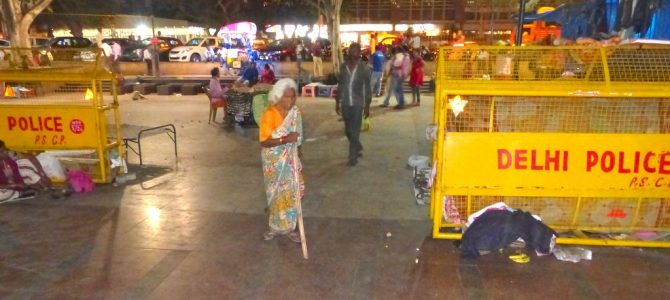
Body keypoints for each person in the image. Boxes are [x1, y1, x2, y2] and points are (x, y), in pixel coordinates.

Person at [258, 78, 304, 243]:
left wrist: (297, 156)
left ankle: (290, 228)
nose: (290, 100)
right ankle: (275, 228)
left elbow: (298, 138)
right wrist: (285, 140)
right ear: (278, 96)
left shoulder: (295, 113)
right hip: (273, 162)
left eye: (293, 97)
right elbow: (264, 141)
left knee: (291, 194)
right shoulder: (270, 114)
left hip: (290, 161)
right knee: (276, 194)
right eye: (286, 97)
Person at [336, 43, 372, 166]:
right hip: (345, 103)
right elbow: (340, 84)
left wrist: (367, 106)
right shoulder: (343, 67)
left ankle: (352, 157)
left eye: (356, 51)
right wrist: (337, 101)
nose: (354, 53)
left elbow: (368, 88)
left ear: (359, 54)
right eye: (352, 50)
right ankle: (358, 146)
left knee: (355, 130)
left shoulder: (364, 68)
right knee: (348, 131)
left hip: (358, 104)